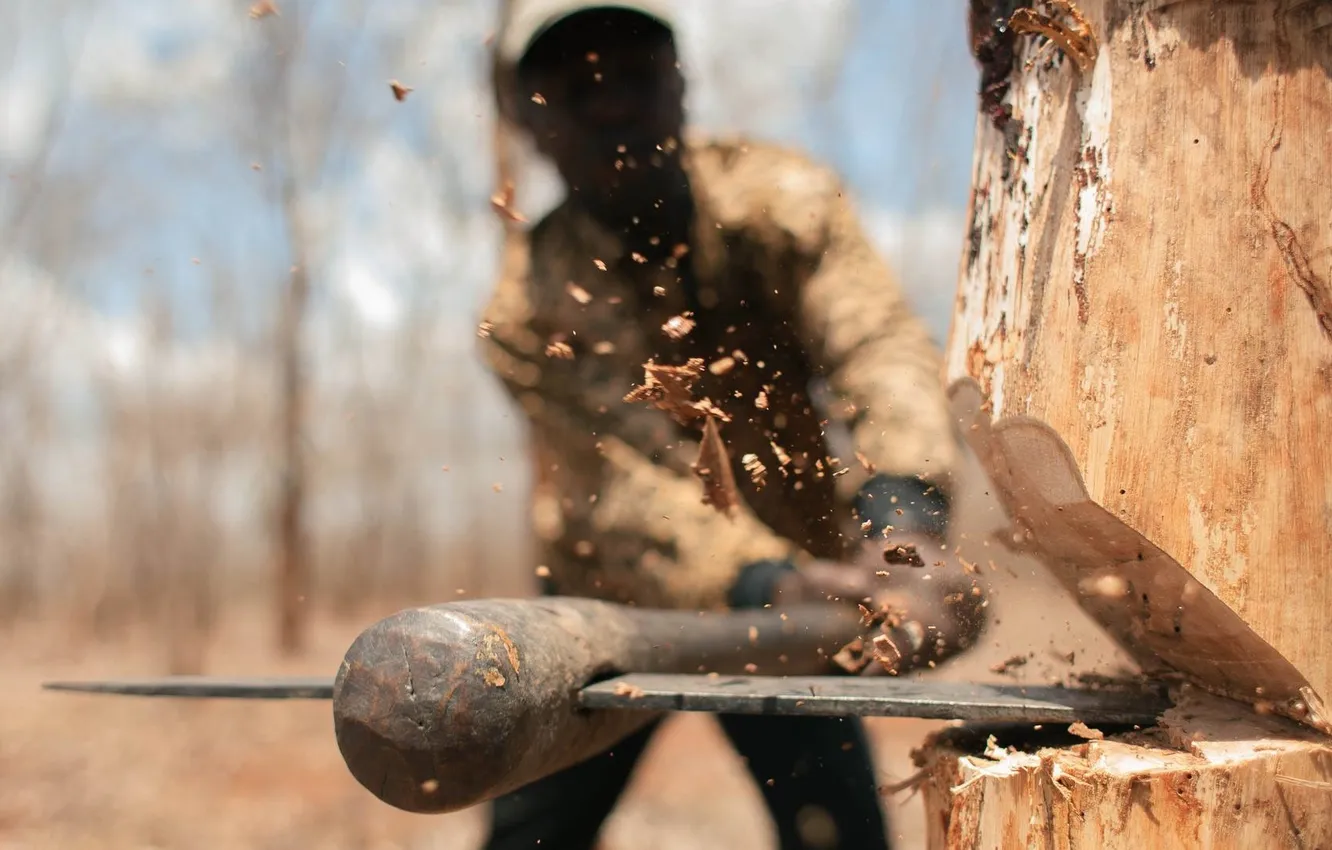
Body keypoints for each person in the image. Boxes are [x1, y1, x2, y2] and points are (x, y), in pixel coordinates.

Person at [478, 2, 983, 847]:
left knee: (838, 832)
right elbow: (624, 489)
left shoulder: (781, 202)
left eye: (634, 75)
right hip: (608, 604)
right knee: (532, 838)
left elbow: (877, 347)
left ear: (680, 85)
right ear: (531, 122)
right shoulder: (526, 312)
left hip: (806, 596)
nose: (610, 105)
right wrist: (773, 583)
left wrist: (905, 527)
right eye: (575, 88)